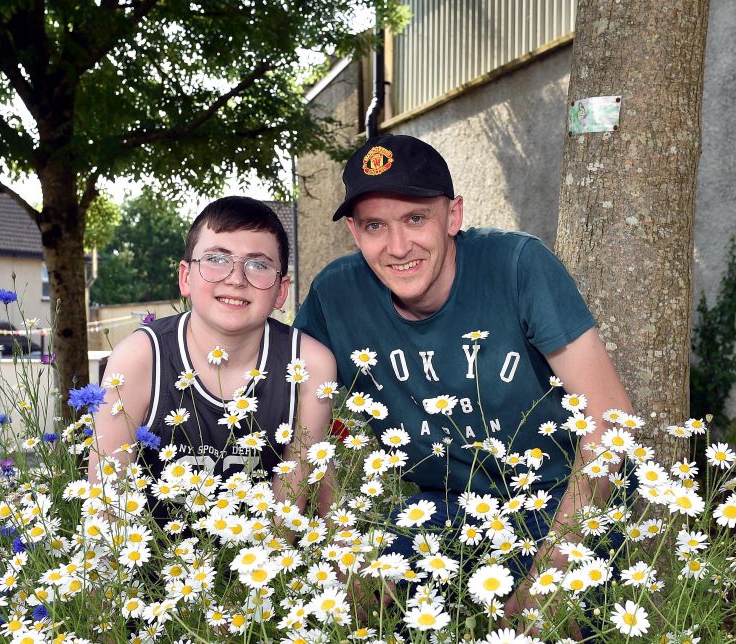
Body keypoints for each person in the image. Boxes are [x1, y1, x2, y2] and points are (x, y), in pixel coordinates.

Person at [294, 134, 633, 611]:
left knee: (559, 627)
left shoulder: (517, 266)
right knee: (360, 610)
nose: (397, 246)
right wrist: (340, 546)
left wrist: (547, 585)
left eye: (416, 218)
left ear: (453, 215)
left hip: (561, 500)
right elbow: (302, 418)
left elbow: (610, 419)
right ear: (354, 231)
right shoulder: (336, 295)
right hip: (440, 505)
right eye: (375, 225)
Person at [89, 196, 337, 516]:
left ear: (281, 290)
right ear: (185, 277)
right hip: (151, 559)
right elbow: (105, 503)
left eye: (258, 264)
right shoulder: (138, 359)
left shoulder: (310, 364)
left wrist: (258, 566)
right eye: (216, 259)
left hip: (264, 558)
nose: (235, 279)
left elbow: (289, 501)